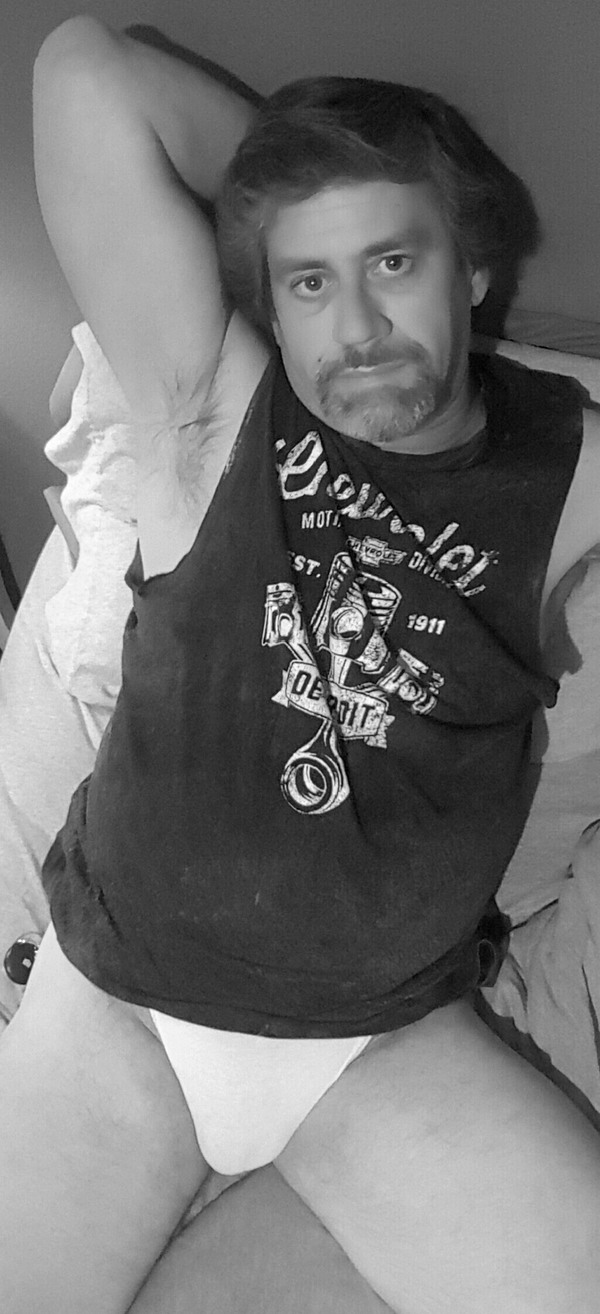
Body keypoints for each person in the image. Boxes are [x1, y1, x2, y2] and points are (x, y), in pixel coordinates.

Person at [3, 13, 599, 1313]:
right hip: (116, 1005)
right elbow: (83, 70)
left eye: (394, 259)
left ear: (473, 267)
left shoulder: (570, 473)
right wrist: (294, 185)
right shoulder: (212, 404)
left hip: (377, 1048)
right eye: (311, 283)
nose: (360, 325)